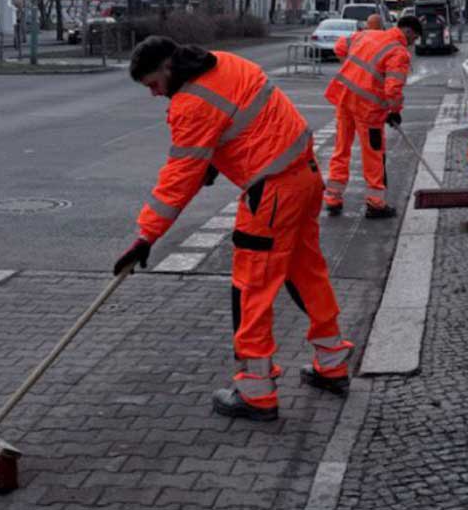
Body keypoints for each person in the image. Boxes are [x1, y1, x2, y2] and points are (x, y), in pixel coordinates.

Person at [116, 37, 353, 421]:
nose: (154, 94)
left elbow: (179, 177)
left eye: (153, 84)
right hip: (305, 178)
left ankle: (255, 391)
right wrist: (212, 160)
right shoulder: (224, 62)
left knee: (250, 290)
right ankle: (333, 362)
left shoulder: (190, 103)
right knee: (306, 275)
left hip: (271, 195)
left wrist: (147, 236)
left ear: (169, 68)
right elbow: (246, 122)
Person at [323, 15, 423, 218]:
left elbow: (340, 47)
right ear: (409, 32)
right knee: (373, 155)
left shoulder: (367, 35)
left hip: (344, 99)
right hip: (368, 109)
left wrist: (350, 68)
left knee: (341, 149)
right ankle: (375, 203)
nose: (414, 43)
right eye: (415, 38)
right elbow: (393, 89)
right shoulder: (398, 52)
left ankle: (333, 198)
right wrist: (395, 112)